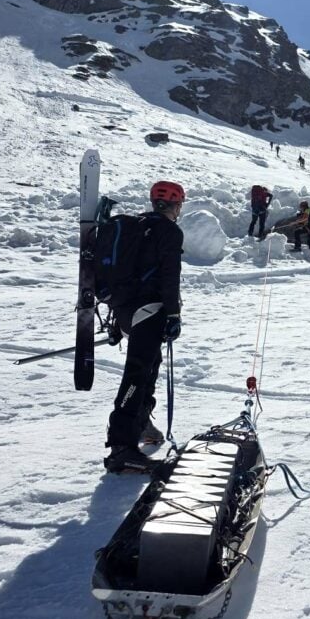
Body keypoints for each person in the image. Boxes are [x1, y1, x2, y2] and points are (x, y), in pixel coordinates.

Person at [104, 181, 185, 474]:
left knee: (148, 368)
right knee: (138, 374)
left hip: (127, 311)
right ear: (175, 205)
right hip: (150, 311)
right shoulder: (168, 232)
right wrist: (173, 315)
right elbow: (169, 275)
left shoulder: (137, 227)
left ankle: (140, 425)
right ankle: (121, 447)